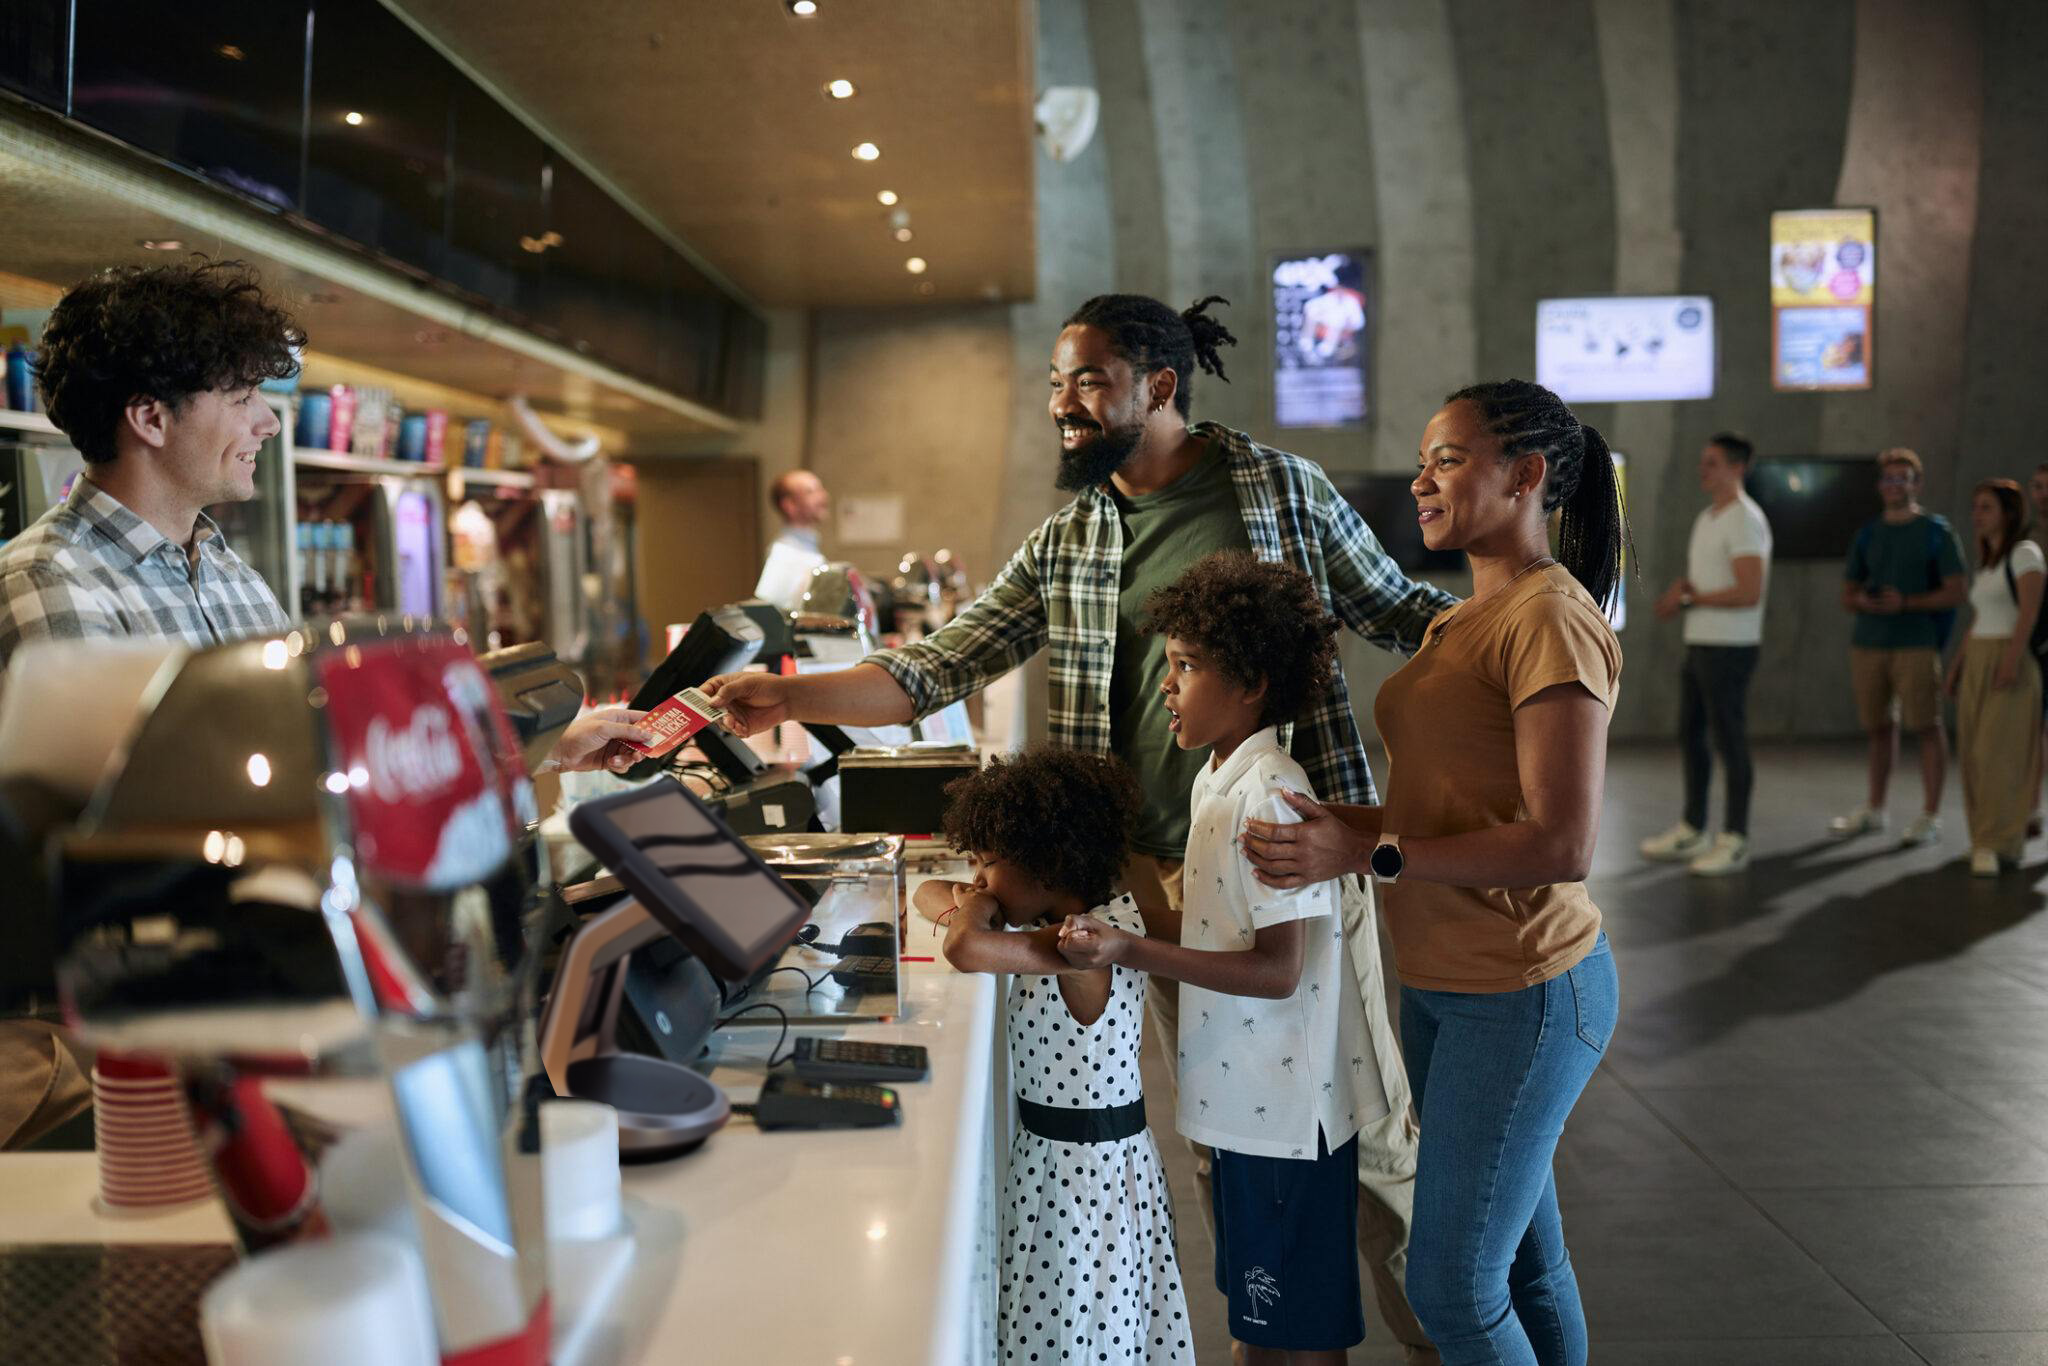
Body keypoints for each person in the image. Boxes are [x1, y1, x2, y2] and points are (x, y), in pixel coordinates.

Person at [706, 293, 1452, 1364]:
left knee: (1371, 1144)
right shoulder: (1070, 533)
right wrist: (791, 698)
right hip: (1152, 867)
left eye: (1086, 379)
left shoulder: (1275, 487)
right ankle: (1274, 1329)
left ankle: (1446, 1337)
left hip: (1288, 851)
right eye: (1055, 382)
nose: (1062, 402)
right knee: (1228, 1127)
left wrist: (1539, 625)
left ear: (1158, 385)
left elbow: (1400, 611)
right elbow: (936, 665)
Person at [1237, 380, 1625, 1366]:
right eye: (1423, 458)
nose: (1420, 479)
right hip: (1446, 988)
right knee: (1524, 1269)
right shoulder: (1459, 619)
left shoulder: (1550, 617)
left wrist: (1367, 852)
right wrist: (1344, 825)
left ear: (1527, 475)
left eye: (1446, 458)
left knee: (1446, 1285)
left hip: (1526, 990)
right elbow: (1441, 812)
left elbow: (1558, 842)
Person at [1058, 552, 1385, 1365]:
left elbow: (1278, 969)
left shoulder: (1269, 794)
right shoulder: (1217, 780)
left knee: (1299, 1334)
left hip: (1284, 1116)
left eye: (1186, 667)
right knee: (1258, 1324)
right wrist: (1109, 922)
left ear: (1251, 686)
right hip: (1246, 1109)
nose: (1165, 686)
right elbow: (1211, 925)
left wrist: (1134, 947)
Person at [912, 747, 1190, 1364]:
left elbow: (964, 947)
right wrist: (978, 896)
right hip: (1069, 1167)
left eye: (988, 863)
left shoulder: (1080, 947)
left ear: (1047, 864)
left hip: (1082, 1187)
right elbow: (929, 892)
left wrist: (976, 908)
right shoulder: (1096, 922)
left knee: (1073, 1329)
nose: (977, 877)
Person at [1640, 433, 1772, 875]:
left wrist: (1691, 601)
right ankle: (1693, 828)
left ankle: (1735, 838)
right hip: (1701, 644)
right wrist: (1684, 593)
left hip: (1731, 648)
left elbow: (1749, 591)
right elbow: (1712, 584)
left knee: (1729, 740)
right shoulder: (1708, 518)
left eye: (1712, 462)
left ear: (1737, 467)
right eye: (1703, 461)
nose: (1703, 469)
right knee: (1691, 735)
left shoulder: (1744, 519)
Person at [1829, 449, 1967, 846]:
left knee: (1926, 725)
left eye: (1902, 478)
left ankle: (1931, 815)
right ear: (1880, 486)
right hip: (1869, 643)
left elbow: (1956, 591)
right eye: (1888, 479)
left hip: (1917, 644)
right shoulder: (1868, 533)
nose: (1894, 485)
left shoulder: (1936, 532)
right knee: (1877, 728)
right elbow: (1847, 593)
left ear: (1916, 484)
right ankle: (1875, 809)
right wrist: (1864, 602)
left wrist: (1906, 603)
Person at [1944, 480, 2043, 876]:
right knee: (1972, 754)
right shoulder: (1989, 563)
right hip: (1981, 656)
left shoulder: (2025, 553)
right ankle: (1983, 838)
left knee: (1998, 755)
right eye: (1975, 507)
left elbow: (2029, 613)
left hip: (2008, 656)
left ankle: (1997, 841)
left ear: (2007, 513)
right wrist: (1957, 667)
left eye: (1985, 507)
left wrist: (2011, 660)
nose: (1977, 514)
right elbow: (1978, 620)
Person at [754, 469, 831, 608]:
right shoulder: (784, 553)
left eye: (820, 489)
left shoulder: (807, 546)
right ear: (789, 505)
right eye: (811, 492)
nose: (823, 496)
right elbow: (777, 612)